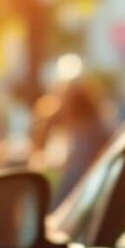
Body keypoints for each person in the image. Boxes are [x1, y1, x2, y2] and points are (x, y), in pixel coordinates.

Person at [31, 71, 115, 206]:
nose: (59, 105)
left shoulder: (86, 134)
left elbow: (74, 178)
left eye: (61, 98)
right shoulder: (78, 131)